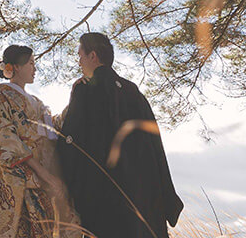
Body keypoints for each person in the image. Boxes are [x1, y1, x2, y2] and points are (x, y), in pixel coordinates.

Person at [56, 32, 183, 238]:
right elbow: (155, 146)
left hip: (105, 202)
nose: (79, 61)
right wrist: (164, 197)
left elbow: (71, 143)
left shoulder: (85, 91)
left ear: (93, 56)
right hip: (144, 199)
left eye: (80, 55)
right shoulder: (134, 92)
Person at [0, 45, 82, 238]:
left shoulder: (37, 102)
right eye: (31, 63)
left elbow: (54, 130)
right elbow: (3, 137)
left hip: (40, 181)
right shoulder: (1, 94)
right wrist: (43, 173)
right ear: (15, 67)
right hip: (18, 180)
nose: (35, 69)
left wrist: (75, 97)